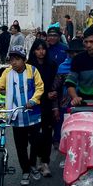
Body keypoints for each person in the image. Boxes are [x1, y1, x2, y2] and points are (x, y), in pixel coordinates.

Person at [0, 47, 44, 186]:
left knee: (35, 144)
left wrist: (33, 100)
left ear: (24, 60)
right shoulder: (7, 72)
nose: (14, 62)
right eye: (11, 59)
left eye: (17, 59)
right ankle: (26, 171)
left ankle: (33, 165)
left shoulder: (33, 71)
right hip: (16, 116)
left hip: (33, 115)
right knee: (20, 146)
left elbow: (40, 87)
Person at [27, 39, 58, 177]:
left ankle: (44, 162)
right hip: (33, 104)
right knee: (33, 135)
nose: (41, 52)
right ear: (34, 50)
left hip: (47, 103)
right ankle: (34, 160)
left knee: (46, 133)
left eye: (43, 49)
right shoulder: (28, 66)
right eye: (38, 49)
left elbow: (55, 83)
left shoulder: (51, 65)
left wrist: (54, 93)